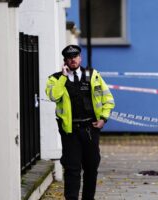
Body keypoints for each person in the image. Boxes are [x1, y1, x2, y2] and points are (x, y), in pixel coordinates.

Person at [45, 45, 115, 200]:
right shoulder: (55, 79)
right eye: (69, 57)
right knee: (72, 169)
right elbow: (53, 96)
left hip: (90, 128)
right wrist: (63, 78)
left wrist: (103, 118)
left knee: (91, 167)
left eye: (75, 56)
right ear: (65, 61)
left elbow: (108, 99)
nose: (73, 59)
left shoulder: (92, 74)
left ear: (80, 58)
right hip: (70, 131)